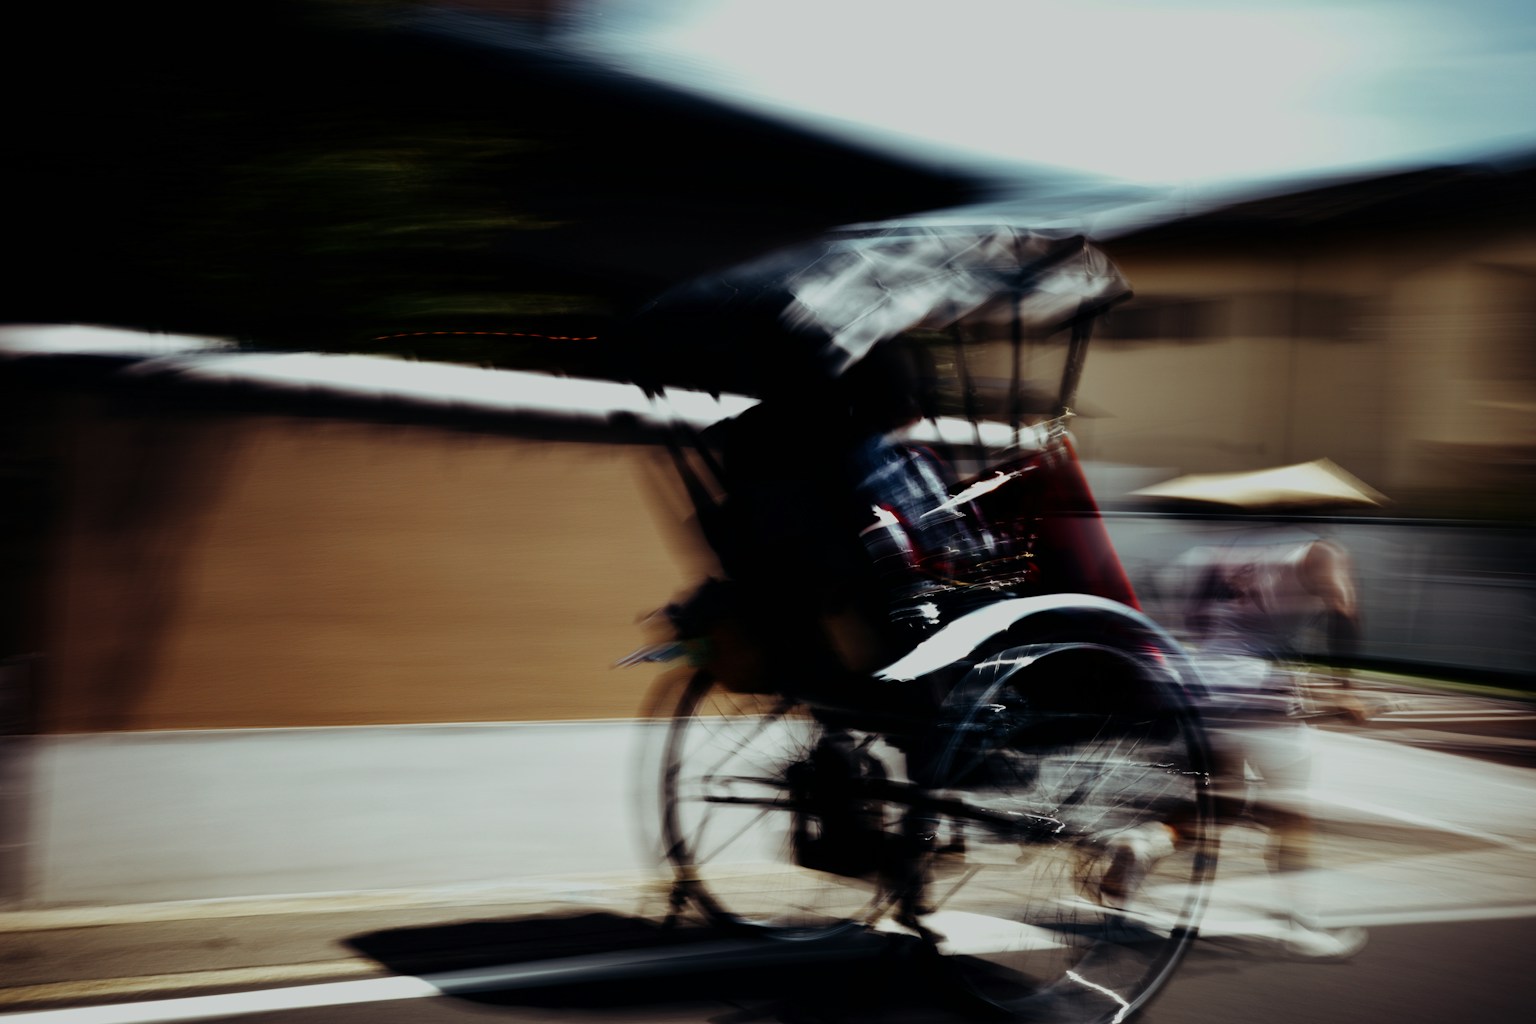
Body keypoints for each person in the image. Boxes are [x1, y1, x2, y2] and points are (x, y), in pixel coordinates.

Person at [1101, 525, 1370, 960]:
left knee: (1218, 806)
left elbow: (1178, 620)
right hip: (1257, 688)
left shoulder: (1203, 554)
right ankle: (1300, 924)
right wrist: (1344, 687)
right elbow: (1344, 608)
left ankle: (1145, 842)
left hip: (1200, 686)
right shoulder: (1317, 552)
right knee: (1292, 815)